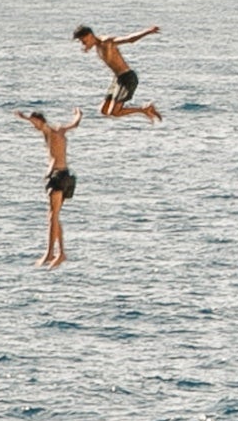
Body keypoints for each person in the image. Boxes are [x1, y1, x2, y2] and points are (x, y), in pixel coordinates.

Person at [20, 108, 82, 267]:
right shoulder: (59, 130)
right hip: (64, 175)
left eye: (35, 123)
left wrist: (27, 118)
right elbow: (74, 125)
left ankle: (50, 253)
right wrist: (78, 115)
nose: (34, 127)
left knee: (53, 216)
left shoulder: (51, 131)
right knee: (53, 216)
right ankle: (60, 253)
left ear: (41, 121)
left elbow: (43, 126)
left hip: (57, 176)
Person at [75, 24, 163, 122]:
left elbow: (129, 39)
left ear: (90, 35)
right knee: (104, 111)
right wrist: (88, 47)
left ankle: (145, 109)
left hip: (127, 78)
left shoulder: (107, 42)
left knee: (115, 112)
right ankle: (144, 110)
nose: (83, 44)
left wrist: (148, 31)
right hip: (118, 79)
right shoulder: (97, 46)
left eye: (84, 41)